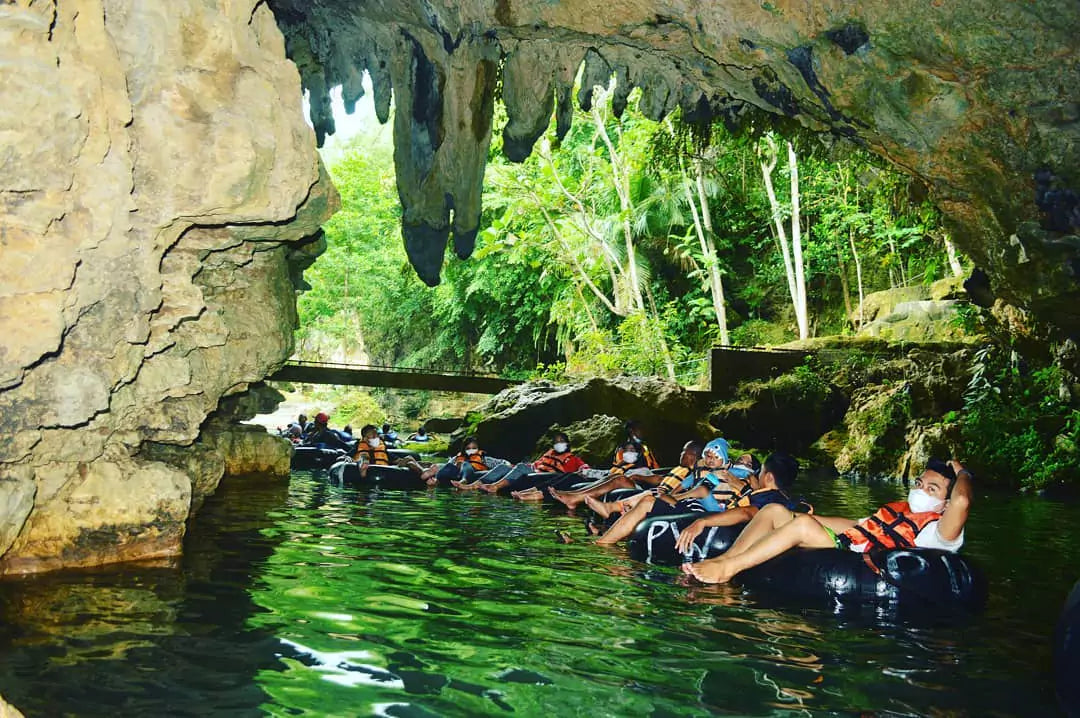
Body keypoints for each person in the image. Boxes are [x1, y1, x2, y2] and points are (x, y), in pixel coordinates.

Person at [684, 459, 973, 584]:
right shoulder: (897, 511)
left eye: (931, 489)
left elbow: (962, 502)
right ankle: (725, 561)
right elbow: (855, 527)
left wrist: (963, 473)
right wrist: (799, 516)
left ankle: (727, 569)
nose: (920, 491)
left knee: (804, 527)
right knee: (773, 510)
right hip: (850, 546)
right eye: (920, 483)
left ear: (944, 503)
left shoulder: (938, 532)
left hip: (862, 565)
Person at [672, 452, 802, 553]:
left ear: (768, 477)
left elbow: (747, 513)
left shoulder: (766, 498)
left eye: (761, 472)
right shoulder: (788, 499)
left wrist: (703, 522)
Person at [455, 433, 588, 493]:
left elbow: (585, 468)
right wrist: (511, 466)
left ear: (567, 444)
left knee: (521, 467)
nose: (558, 444)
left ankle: (495, 487)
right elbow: (534, 465)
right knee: (503, 466)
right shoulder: (549, 454)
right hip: (535, 473)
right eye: (556, 442)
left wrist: (582, 471)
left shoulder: (574, 459)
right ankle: (475, 485)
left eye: (561, 441)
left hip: (548, 478)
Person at [438, 437, 509, 485]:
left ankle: (464, 480)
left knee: (466, 464)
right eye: (468, 448)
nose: (471, 450)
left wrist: (509, 465)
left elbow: (503, 462)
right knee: (449, 466)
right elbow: (447, 467)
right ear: (464, 449)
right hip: (457, 476)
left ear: (478, 448)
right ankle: (436, 480)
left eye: (474, 448)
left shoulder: (484, 459)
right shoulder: (456, 458)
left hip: (475, 476)